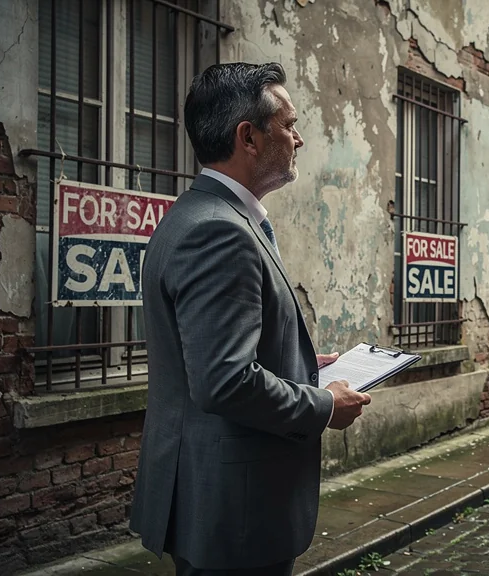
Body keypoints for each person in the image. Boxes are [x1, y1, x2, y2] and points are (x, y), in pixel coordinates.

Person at [130, 62, 373, 575]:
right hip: (233, 507)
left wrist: (304, 364)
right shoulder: (219, 233)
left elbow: (216, 351)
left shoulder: (199, 215)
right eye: (289, 124)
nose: (299, 138)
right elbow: (223, 381)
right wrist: (324, 405)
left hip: (212, 495)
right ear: (249, 138)